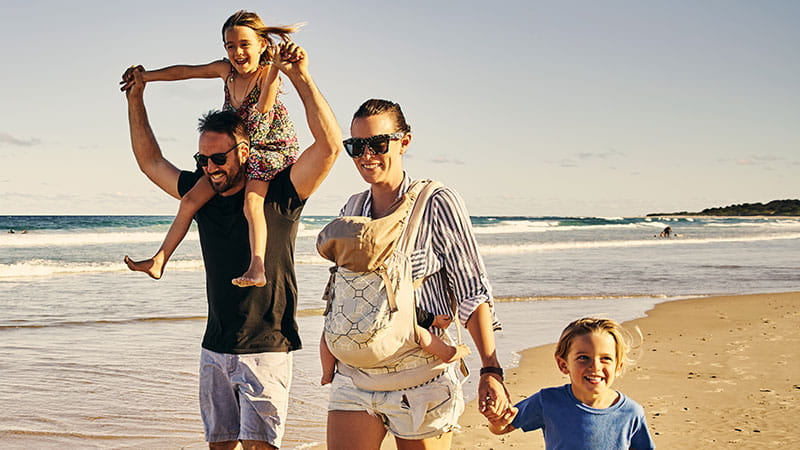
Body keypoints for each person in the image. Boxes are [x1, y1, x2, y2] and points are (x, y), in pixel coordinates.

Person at [121, 42, 342, 449]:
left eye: (219, 159)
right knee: (219, 446)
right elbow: (151, 162)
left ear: (243, 151)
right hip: (215, 345)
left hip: (267, 347)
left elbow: (329, 147)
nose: (210, 168)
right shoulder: (203, 191)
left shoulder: (280, 193)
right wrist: (136, 98)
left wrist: (301, 77)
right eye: (202, 160)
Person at [325, 99, 509, 450]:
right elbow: (342, 291)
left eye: (378, 144)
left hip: (421, 378)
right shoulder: (352, 208)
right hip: (355, 377)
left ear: (404, 142)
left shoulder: (435, 201)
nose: (366, 155)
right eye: (356, 146)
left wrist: (491, 368)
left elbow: (471, 289)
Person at [122, 10, 302, 288]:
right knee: (190, 200)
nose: (237, 52)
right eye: (231, 46)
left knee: (252, 201)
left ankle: (257, 267)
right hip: (233, 153)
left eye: (244, 44)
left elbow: (263, 110)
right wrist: (145, 77)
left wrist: (277, 67)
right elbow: (185, 72)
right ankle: (159, 260)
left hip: (267, 149)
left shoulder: (267, 74)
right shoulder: (225, 71)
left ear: (262, 45)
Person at [487, 318, 656, 450]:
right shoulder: (548, 401)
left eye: (605, 358)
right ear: (563, 364)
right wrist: (497, 422)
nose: (595, 366)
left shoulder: (631, 412)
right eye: (583, 358)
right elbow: (503, 427)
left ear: (618, 366)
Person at [319, 312, 469, 385]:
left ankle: (327, 374)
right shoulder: (386, 275)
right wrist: (433, 320)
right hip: (379, 329)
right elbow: (408, 310)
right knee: (417, 333)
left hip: (348, 323)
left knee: (327, 335)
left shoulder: (343, 272)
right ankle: (449, 352)